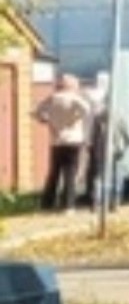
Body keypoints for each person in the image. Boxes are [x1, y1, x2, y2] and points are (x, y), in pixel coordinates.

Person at [33, 74, 92, 211]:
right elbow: (87, 110)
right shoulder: (75, 99)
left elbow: (37, 112)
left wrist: (46, 120)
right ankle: (68, 204)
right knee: (70, 173)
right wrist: (75, 118)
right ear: (72, 86)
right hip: (73, 139)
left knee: (54, 172)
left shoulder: (52, 98)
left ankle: (47, 203)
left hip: (56, 140)